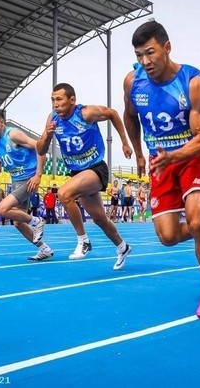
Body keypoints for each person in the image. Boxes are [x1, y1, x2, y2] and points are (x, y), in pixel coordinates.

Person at [123, 20, 200, 318]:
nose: (145, 61)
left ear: (167, 47)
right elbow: (130, 116)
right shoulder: (133, 82)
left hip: (191, 158)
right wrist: (137, 154)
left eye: (150, 52)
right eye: (139, 55)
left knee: (195, 222)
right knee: (168, 237)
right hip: (160, 163)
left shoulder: (192, 83)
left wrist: (174, 156)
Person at [35, 83, 133, 270]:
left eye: (59, 99)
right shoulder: (53, 119)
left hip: (96, 168)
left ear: (72, 100)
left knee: (64, 193)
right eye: (52, 100)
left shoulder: (86, 114)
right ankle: (123, 247)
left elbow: (112, 113)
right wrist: (47, 135)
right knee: (99, 218)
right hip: (77, 172)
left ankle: (83, 240)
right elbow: (40, 149)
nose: (55, 104)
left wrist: (124, 142)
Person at [0, 109, 51, 261]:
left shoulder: (13, 135)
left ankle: (37, 221)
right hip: (16, 182)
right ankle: (44, 249)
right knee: (19, 223)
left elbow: (41, 148)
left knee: (1, 208)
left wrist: (38, 175)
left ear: (1, 122)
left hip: (29, 180)